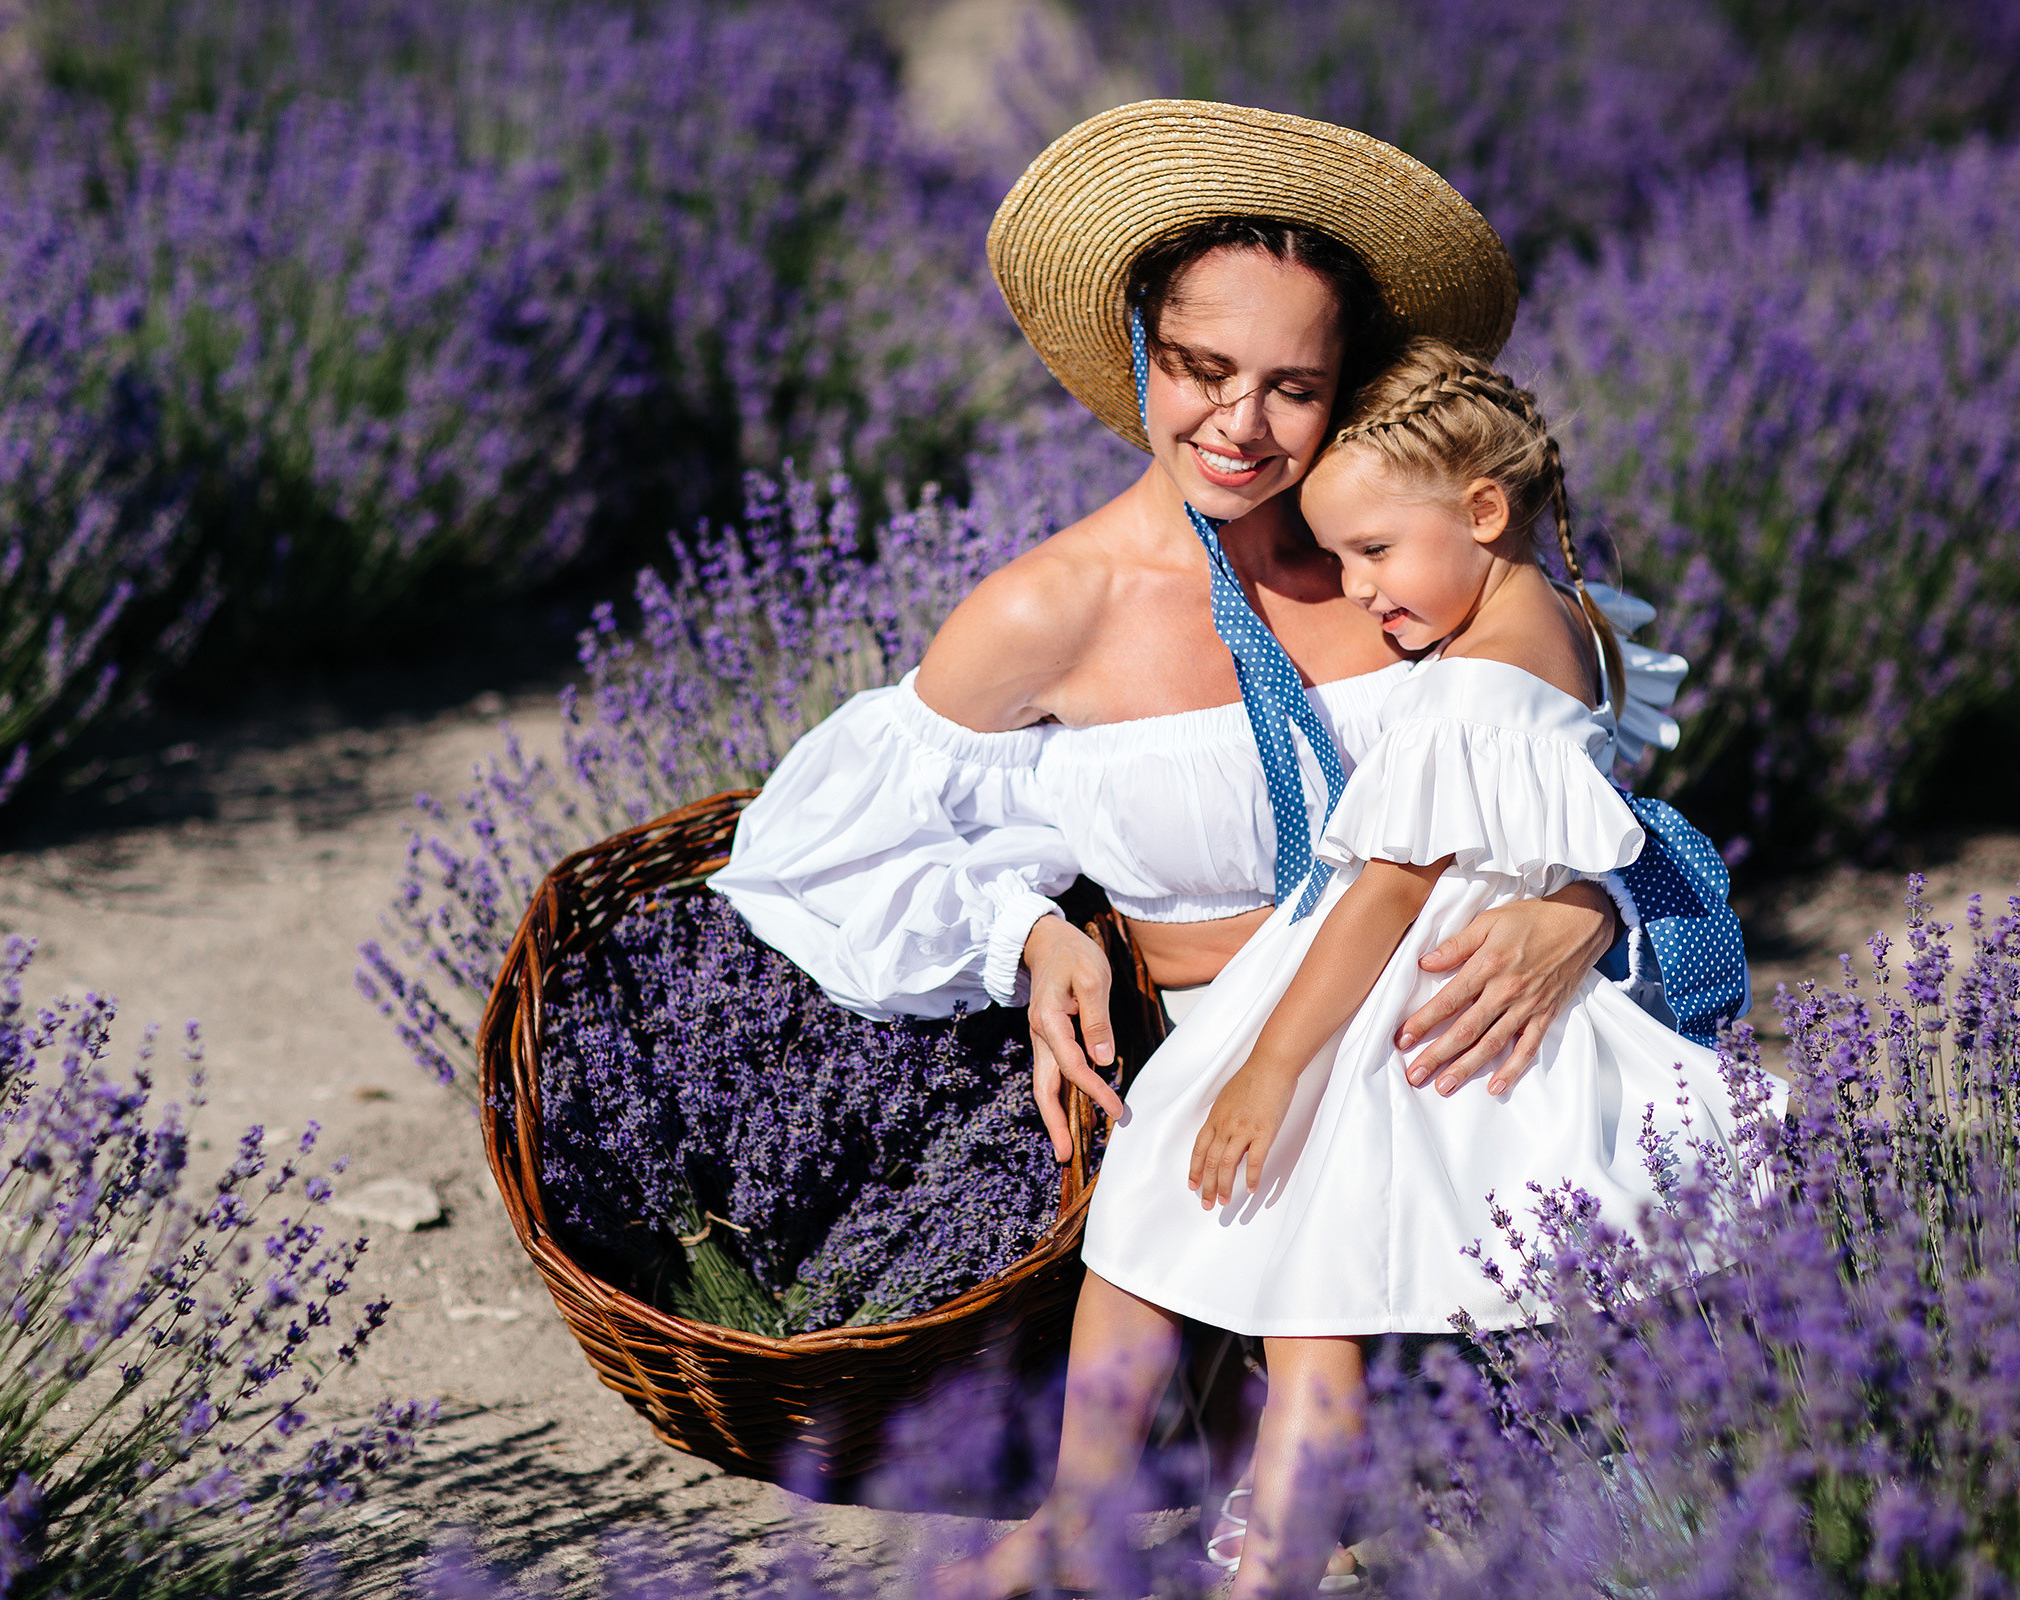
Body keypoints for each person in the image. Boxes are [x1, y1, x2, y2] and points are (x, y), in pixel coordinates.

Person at [712, 101, 1746, 1175]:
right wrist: (1026, 932)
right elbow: (812, 852)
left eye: (1292, 387)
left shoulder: (1410, 568)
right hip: (1225, 1101)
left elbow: (1564, 776)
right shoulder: (1050, 609)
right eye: (1201, 367)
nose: (1239, 425)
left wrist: (1589, 899)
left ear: (1341, 387)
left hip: (1467, 1067)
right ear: (1139, 352)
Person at [946, 336, 1758, 1599]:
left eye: (1376, 554)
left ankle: (1108, 1519)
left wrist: (1274, 1067)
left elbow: (1383, 894)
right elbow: (1601, 804)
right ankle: (1263, 1562)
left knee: (1197, 1231)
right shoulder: (1569, 628)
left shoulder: (1470, 690)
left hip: (1377, 1007)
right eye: (1342, 560)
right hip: (1440, 993)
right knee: (1311, 1298)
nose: (1361, 590)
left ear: (1484, 511)